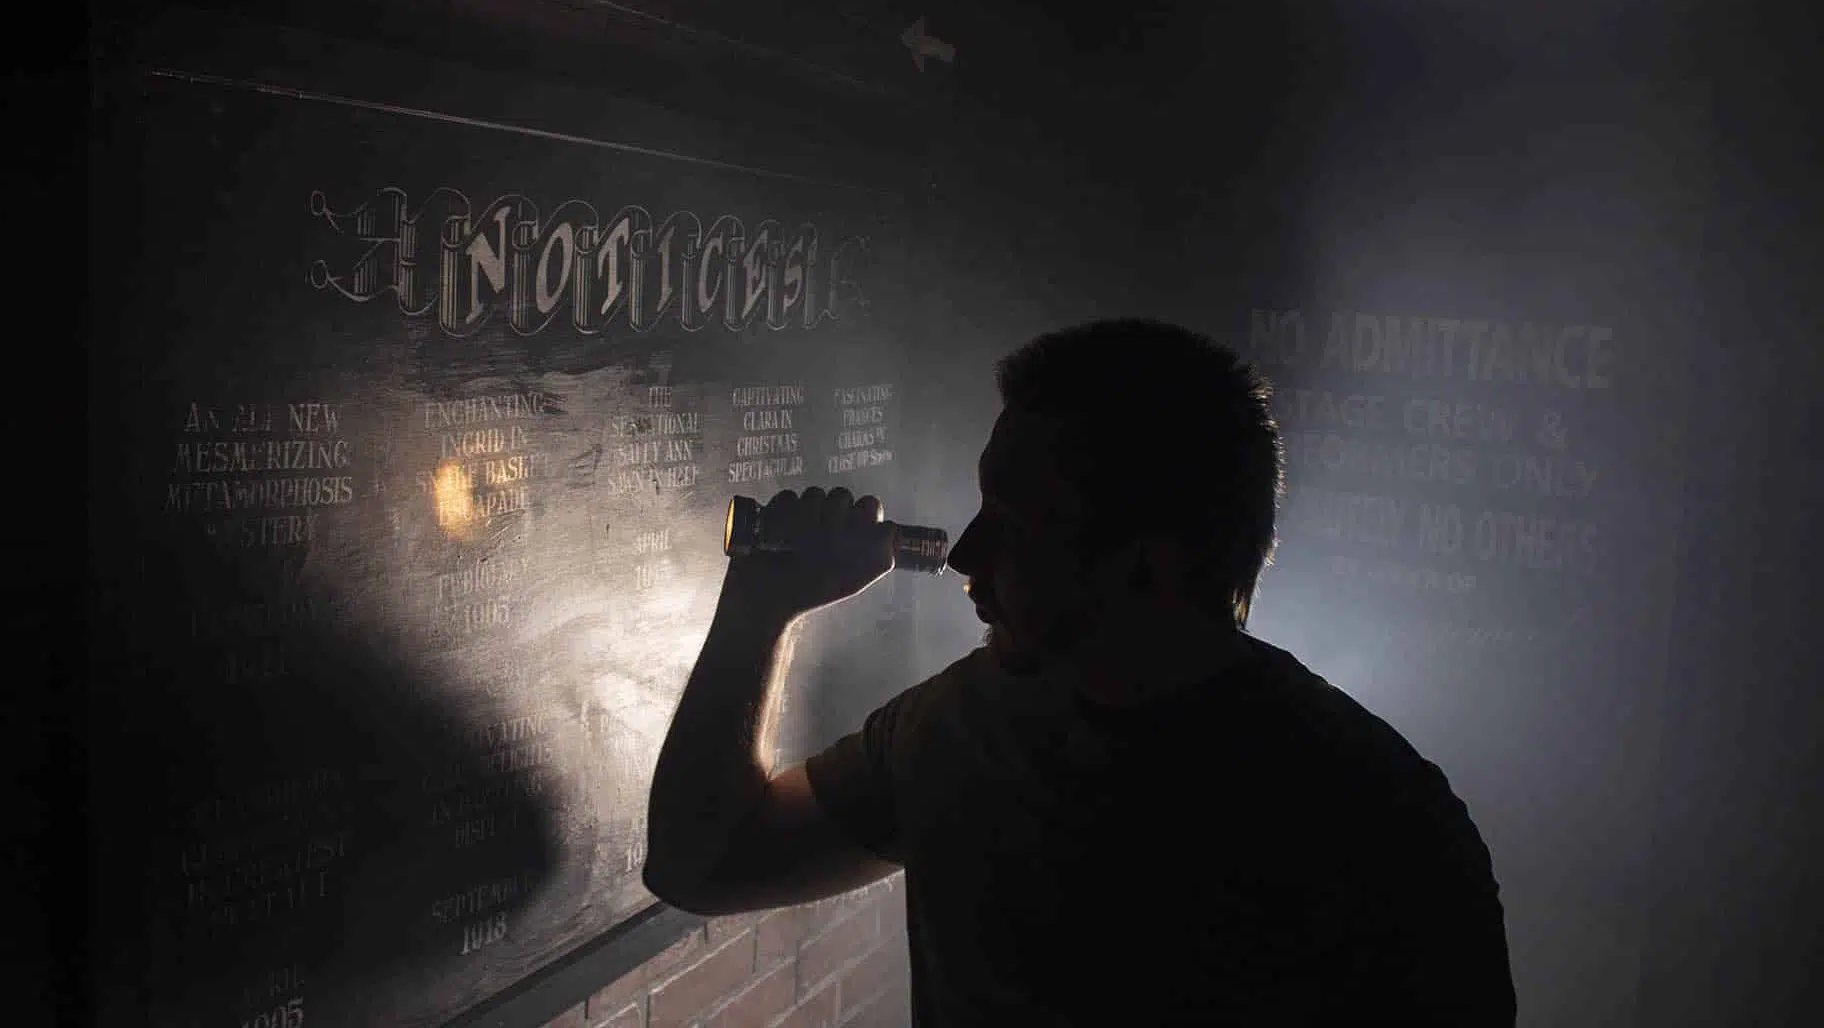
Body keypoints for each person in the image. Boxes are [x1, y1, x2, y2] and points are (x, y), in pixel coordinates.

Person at [644, 319, 1516, 1025]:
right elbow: (704, 866)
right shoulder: (963, 725)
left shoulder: (1375, 824)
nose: (968, 555)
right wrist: (763, 606)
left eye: (1015, 522)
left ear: (1151, 567)